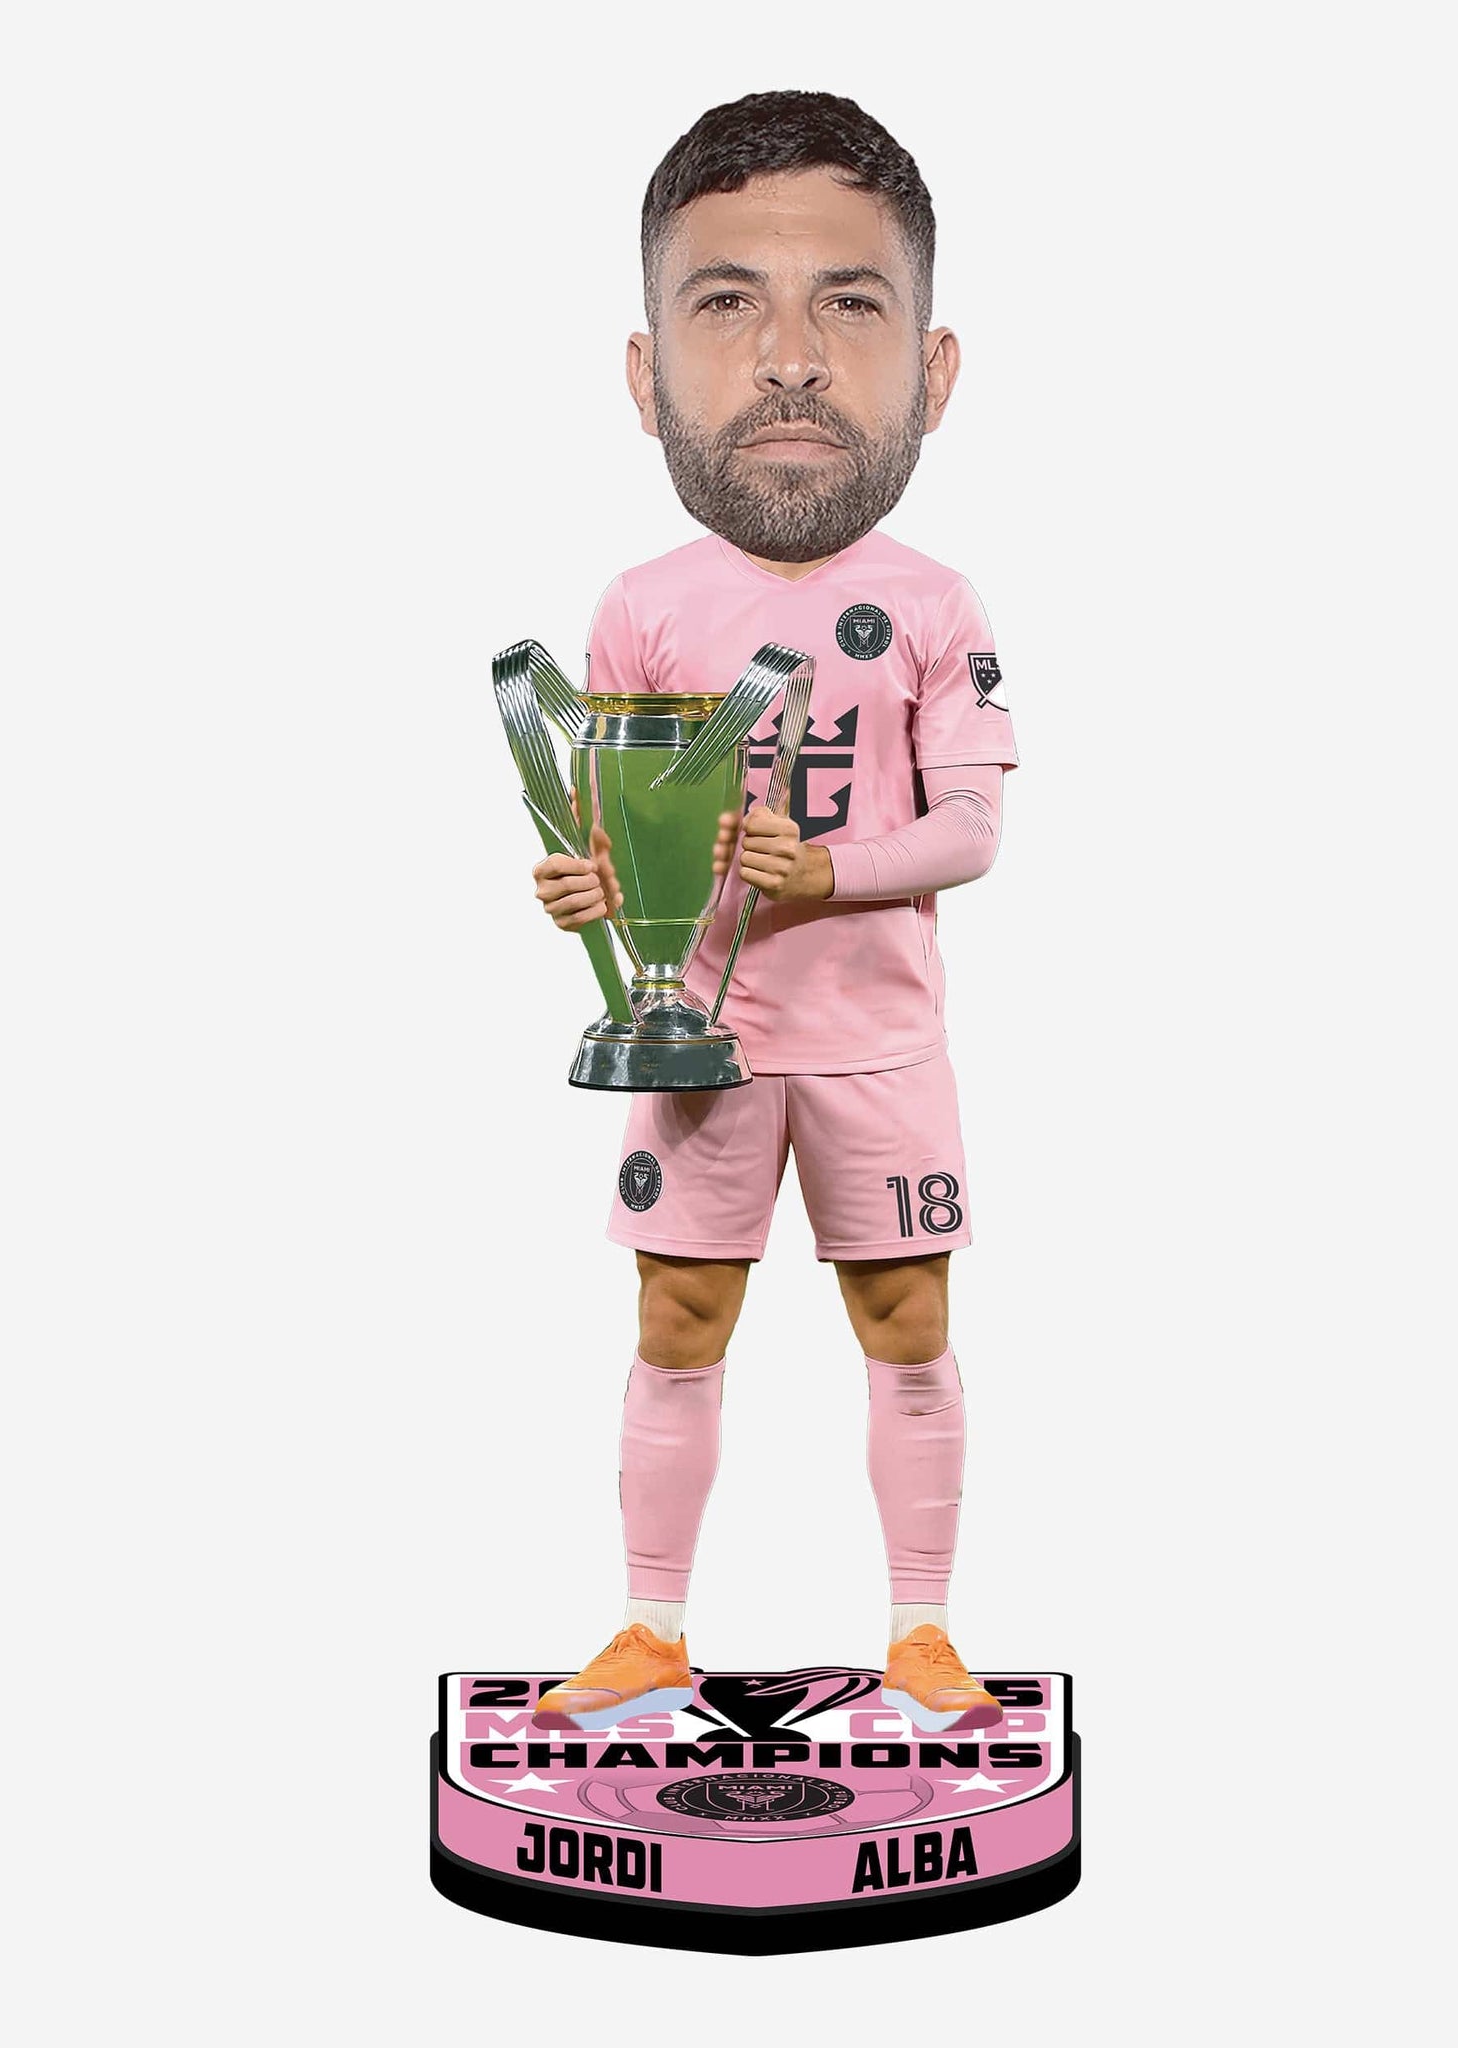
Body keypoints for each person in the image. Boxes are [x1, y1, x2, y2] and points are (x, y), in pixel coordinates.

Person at [526, 91, 1019, 1738]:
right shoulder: (640, 606)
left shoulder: (937, 603)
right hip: (705, 1043)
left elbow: (973, 828)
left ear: (932, 373)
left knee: (908, 1322)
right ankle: (651, 1631)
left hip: (882, 1043)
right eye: (729, 302)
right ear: (645, 374)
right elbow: (620, 823)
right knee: (677, 1319)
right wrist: (587, 888)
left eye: (849, 307)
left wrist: (830, 871)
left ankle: (924, 1634)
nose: (790, 358)